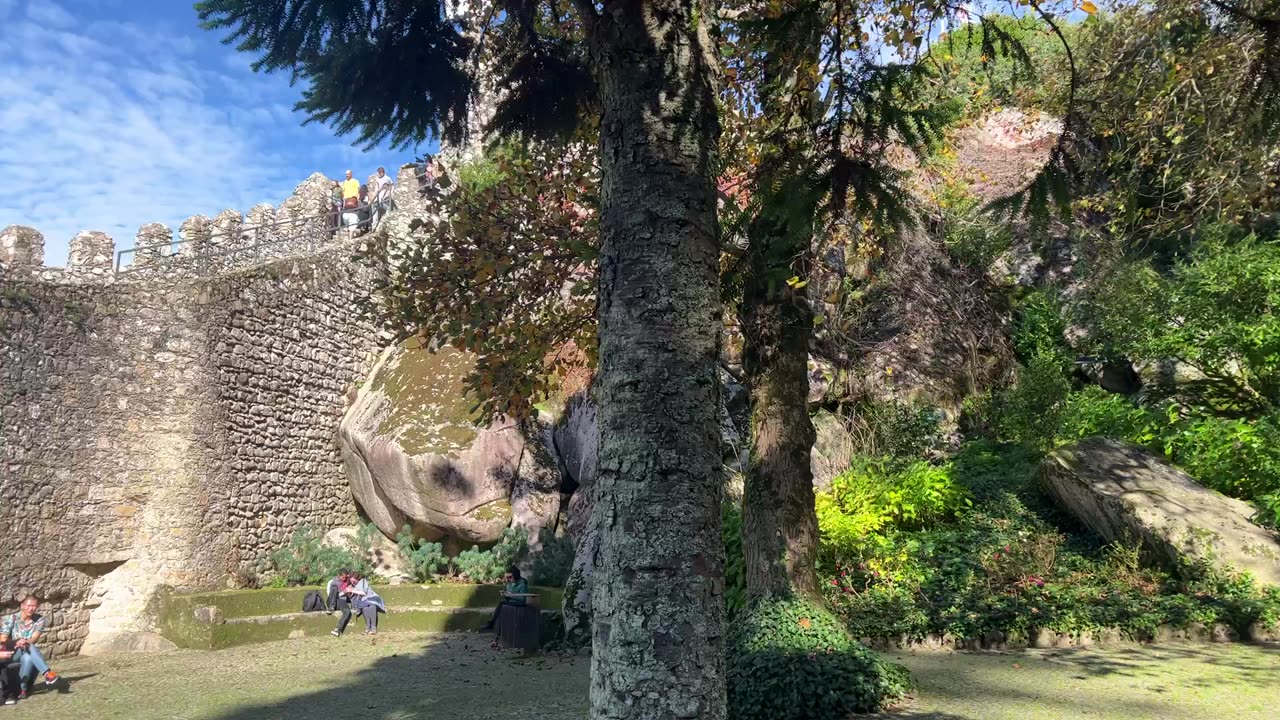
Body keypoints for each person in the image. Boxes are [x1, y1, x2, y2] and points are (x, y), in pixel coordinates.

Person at [0, 596, 58, 700]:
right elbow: (3, 639)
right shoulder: (10, 619)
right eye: (29, 606)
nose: (31, 608)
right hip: (10, 653)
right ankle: (47, 673)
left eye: (34, 606)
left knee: (27, 656)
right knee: (29, 647)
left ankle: (23, 689)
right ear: (22, 606)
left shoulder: (39, 620)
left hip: (26, 650)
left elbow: (34, 638)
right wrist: (16, 642)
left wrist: (25, 641)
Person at [480, 565, 529, 632]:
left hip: (520, 604)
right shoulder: (509, 584)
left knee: (501, 603)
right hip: (512, 603)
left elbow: (523, 599)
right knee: (502, 608)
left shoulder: (522, 584)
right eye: (506, 577)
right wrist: (505, 595)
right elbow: (509, 599)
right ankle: (499, 632)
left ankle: (491, 623)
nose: (508, 579)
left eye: (510, 577)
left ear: (516, 575)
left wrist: (511, 596)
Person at [329, 570, 357, 636]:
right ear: (338, 575)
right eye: (343, 577)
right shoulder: (333, 583)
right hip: (334, 600)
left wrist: (350, 591)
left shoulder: (347, 582)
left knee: (347, 611)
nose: (344, 579)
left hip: (342, 601)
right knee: (334, 589)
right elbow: (331, 596)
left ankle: (337, 629)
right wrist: (343, 592)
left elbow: (350, 596)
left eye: (345, 577)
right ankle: (331, 607)